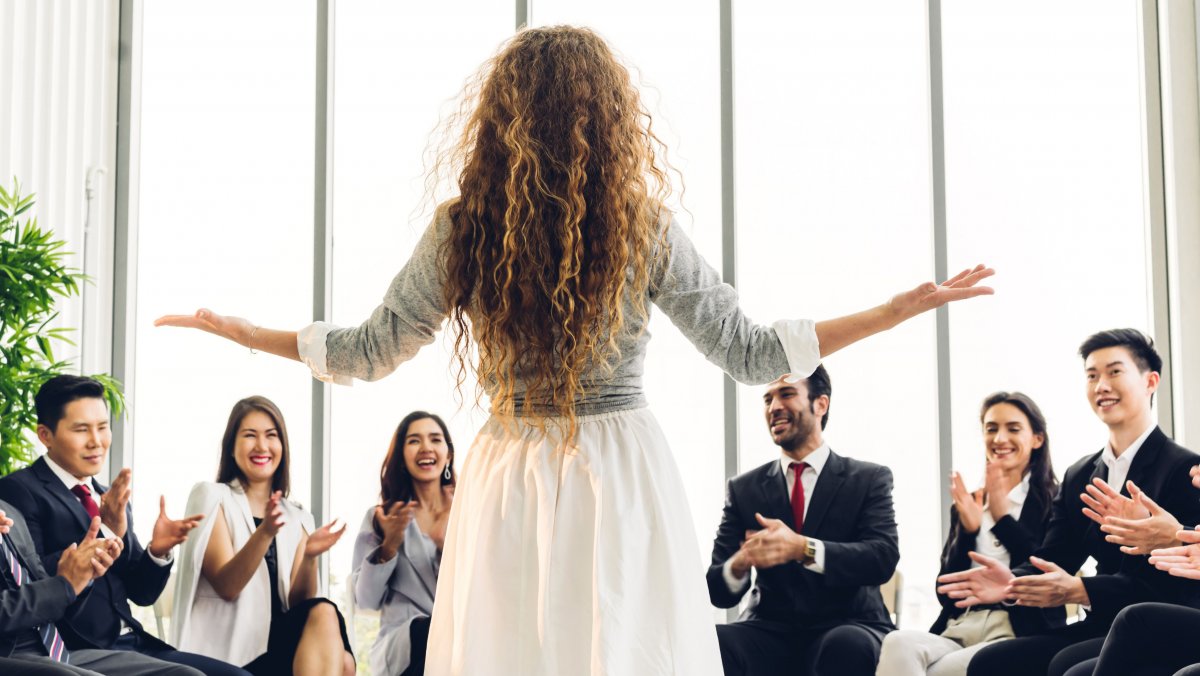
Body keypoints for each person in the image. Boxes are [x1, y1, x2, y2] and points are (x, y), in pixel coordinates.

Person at [154, 25, 994, 676]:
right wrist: (896, 307)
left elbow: (369, 350)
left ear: (501, 112)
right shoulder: (638, 224)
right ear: (608, 113)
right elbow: (750, 351)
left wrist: (244, 334)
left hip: (510, 463)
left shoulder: (467, 227)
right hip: (618, 466)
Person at [936, 329, 1200, 676]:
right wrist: (1013, 584)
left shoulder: (1184, 468)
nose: (1101, 385)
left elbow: (1176, 588)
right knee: (991, 662)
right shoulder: (1080, 474)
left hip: (1159, 624)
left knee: (1068, 667)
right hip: (1102, 621)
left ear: (1151, 381)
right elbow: (1054, 557)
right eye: (1092, 376)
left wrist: (1081, 589)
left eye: (1114, 372)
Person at [0, 375, 239, 676]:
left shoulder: (106, 495)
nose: (96, 441)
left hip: (134, 641)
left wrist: (157, 551)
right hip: (79, 646)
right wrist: (105, 532)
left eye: (102, 427)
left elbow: (141, 593)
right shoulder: (18, 491)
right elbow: (33, 583)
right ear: (45, 435)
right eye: (81, 429)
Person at [708, 368, 899, 676]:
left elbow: (882, 558)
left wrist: (803, 548)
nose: (774, 407)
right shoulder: (743, 489)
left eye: (787, 394)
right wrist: (740, 562)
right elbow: (718, 590)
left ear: (820, 404)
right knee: (714, 642)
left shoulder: (868, 479)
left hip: (849, 622)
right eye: (768, 399)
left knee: (845, 645)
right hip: (771, 629)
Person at [875, 392, 1064, 676]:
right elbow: (946, 590)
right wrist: (969, 530)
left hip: (1017, 629)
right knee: (898, 642)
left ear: (1037, 439)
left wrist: (1002, 520)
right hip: (960, 626)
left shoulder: (1054, 501)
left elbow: (1044, 568)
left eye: (1013, 428)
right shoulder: (969, 503)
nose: (999, 438)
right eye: (991, 429)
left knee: (941, 671)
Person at [170, 396, 354, 676]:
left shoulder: (298, 516)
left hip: (283, 652)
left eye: (271, 436)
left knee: (331, 631)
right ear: (231, 447)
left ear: (283, 447)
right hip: (231, 657)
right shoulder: (212, 497)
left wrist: (309, 557)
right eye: (249, 435)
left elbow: (300, 605)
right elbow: (227, 585)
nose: (262, 446)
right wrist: (264, 532)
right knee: (339, 659)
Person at [0, 502, 201, 675]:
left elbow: (51, 601)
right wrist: (64, 585)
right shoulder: (20, 491)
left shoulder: (10, 511)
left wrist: (80, 579)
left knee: (185, 674)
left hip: (56, 649)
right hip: (11, 652)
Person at [1062, 464, 1200, 676]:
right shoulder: (1079, 472)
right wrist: (1170, 536)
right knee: (1073, 670)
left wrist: (1175, 538)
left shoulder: (1178, 464)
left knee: (1135, 619)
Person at [351, 411, 455, 676]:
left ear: (448, 454)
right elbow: (365, 601)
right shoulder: (381, 517)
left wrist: (448, 548)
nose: (426, 448)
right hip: (405, 646)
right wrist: (388, 547)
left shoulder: (467, 513)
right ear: (401, 457)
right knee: (430, 634)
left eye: (435, 439)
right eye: (414, 441)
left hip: (457, 642)